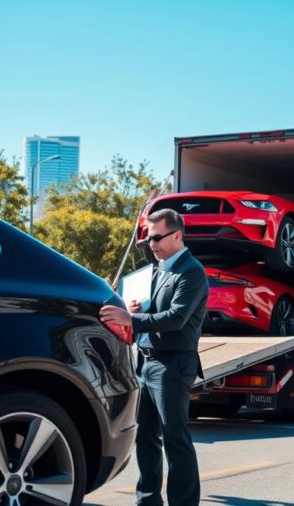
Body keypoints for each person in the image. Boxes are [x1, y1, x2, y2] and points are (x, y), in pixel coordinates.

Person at [100, 208, 208, 506]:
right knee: (145, 437)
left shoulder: (192, 271)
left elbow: (176, 318)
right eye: (148, 238)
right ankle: (148, 500)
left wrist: (130, 319)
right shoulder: (159, 269)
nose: (151, 243)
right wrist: (134, 311)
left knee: (175, 439)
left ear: (177, 235)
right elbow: (154, 312)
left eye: (157, 237)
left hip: (173, 365)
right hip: (146, 362)